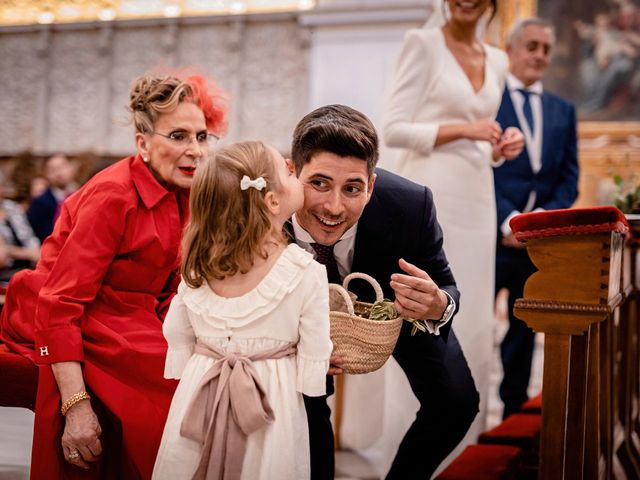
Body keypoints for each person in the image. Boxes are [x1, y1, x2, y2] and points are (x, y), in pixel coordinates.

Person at [0, 71, 228, 479]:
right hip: (74, 312)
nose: (194, 150)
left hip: (131, 318)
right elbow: (60, 303)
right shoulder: (113, 196)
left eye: (201, 136)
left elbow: (175, 288)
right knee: (166, 402)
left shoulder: (189, 194)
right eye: (178, 136)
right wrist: (75, 406)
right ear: (143, 143)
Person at [290, 104, 479, 480]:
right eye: (319, 183)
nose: (334, 206)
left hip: (391, 310)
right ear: (292, 174)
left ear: (372, 185)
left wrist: (437, 303)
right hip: (297, 324)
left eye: (353, 188)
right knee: (305, 406)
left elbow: (446, 285)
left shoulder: (411, 204)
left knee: (456, 400)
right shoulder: (262, 205)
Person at [382, 0, 525, 443]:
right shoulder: (421, 44)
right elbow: (393, 128)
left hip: (478, 199)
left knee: (474, 314)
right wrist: (466, 129)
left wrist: (500, 147)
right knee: (423, 309)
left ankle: (466, 442)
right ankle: (414, 439)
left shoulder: (498, 60)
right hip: (431, 194)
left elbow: (483, 138)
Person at [153, 141, 332, 479]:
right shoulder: (305, 271)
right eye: (287, 171)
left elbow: (176, 330)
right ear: (273, 200)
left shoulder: (199, 266)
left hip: (201, 389)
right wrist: (311, 376)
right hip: (269, 399)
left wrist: (184, 362)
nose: (294, 172)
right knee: (261, 466)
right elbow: (315, 343)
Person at [494, 17, 579, 418]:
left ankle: (512, 415)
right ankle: (467, 411)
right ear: (511, 51)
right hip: (491, 236)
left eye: (545, 49)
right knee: (471, 323)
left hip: (537, 244)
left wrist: (540, 222)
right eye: (531, 46)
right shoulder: (489, 102)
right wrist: (507, 220)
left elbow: (568, 177)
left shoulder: (564, 110)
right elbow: (479, 169)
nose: (539, 56)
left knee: (524, 333)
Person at [27, 153, 78, 242]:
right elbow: (46, 235)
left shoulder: (81, 193)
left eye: (63, 167)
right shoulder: (39, 203)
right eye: (53, 170)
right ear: (46, 175)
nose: (60, 173)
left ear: (71, 168)